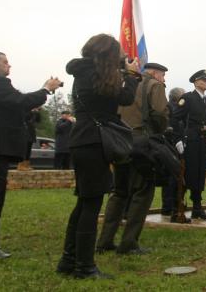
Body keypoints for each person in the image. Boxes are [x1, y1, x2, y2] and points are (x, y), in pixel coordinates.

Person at [0, 52, 61, 259]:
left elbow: (16, 106)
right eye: (5, 62)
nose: (9, 65)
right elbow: (19, 101)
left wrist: (30, 104)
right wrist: (46, 89)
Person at [57, 34, 139, 279]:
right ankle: (84, 266)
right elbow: (124, 98)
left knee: (84, 202)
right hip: (93, 142)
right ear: (106, 55)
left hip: (84, 141)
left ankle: (68, 260)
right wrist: (132, 75)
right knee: (91, 206)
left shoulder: (84, 72)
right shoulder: (95, 76)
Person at [97, 62, 169, 255]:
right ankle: (128, 243)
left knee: (119, 191)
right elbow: (161, 113)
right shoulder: (154, 85)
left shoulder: (123, 83)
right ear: (154, 73)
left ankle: (105, 240)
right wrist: (158, 131)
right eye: (162, 75)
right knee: (142, 191)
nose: (163, 79)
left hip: (118, 140)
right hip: (141, 141)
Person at [172, 70, 206, 220]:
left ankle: (197, 207)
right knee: (186, 173)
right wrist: (178, 139)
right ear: (196, 82)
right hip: (190, 140)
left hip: (201, 140)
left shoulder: (205, 100)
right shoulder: (188, 98)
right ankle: (177, 208)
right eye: (204, 80)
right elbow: (175, 119)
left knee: (199, 173)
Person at [161, 87, 186, 217]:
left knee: (177, 177)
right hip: (171, 145)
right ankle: (168, 206)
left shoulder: (178, 108)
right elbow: (170, 127)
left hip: (177, 145)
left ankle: (176, 204)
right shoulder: (170, 108)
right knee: (171, 178)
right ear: (177, 97)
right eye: (183, 95)